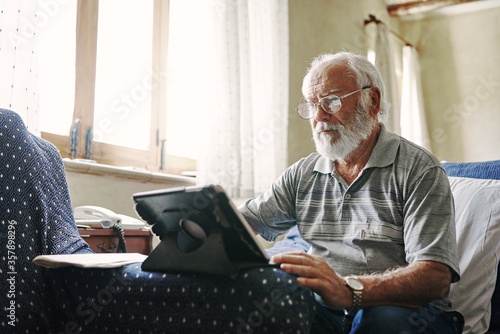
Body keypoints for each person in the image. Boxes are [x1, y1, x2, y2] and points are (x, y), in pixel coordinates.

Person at [239, 52, 464, 333]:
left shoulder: (419, 169)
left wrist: (349, 291)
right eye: (312, 105)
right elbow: (242, 224)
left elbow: (435, 278)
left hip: (407, 311)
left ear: (372, 101)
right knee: (271, 308)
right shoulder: (303, 173)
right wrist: (191, 220)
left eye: (331, 101)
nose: (319, 116)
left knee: (378, 321)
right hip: (326, 311)